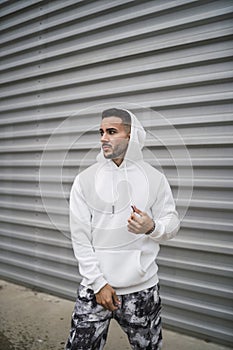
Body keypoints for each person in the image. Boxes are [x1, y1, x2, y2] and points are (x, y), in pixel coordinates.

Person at [65, 108, 180, 350]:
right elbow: (80, 238)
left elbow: (172, 224)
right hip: (95, 290)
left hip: (142, 291)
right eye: (101, 132)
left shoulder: (155, 179)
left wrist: (153, 227)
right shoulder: (85, 180)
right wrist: (98, 284)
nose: (103, 138)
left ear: (132, 136)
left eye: (112, 131)